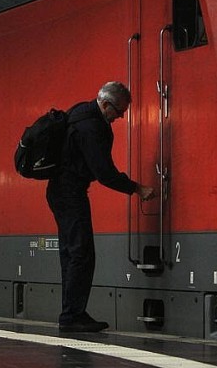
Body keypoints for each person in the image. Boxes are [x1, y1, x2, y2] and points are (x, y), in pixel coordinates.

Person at [47, 81, 156, 333]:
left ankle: (71, 313)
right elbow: (104, 173)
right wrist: (137, 189)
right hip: (69, 193)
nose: (119, 117)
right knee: (82, 254)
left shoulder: (79, 112)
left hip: (61, 192)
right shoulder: (92, 126)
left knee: (72, 253)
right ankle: (72, 316)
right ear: (106, 104)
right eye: (118, 112)